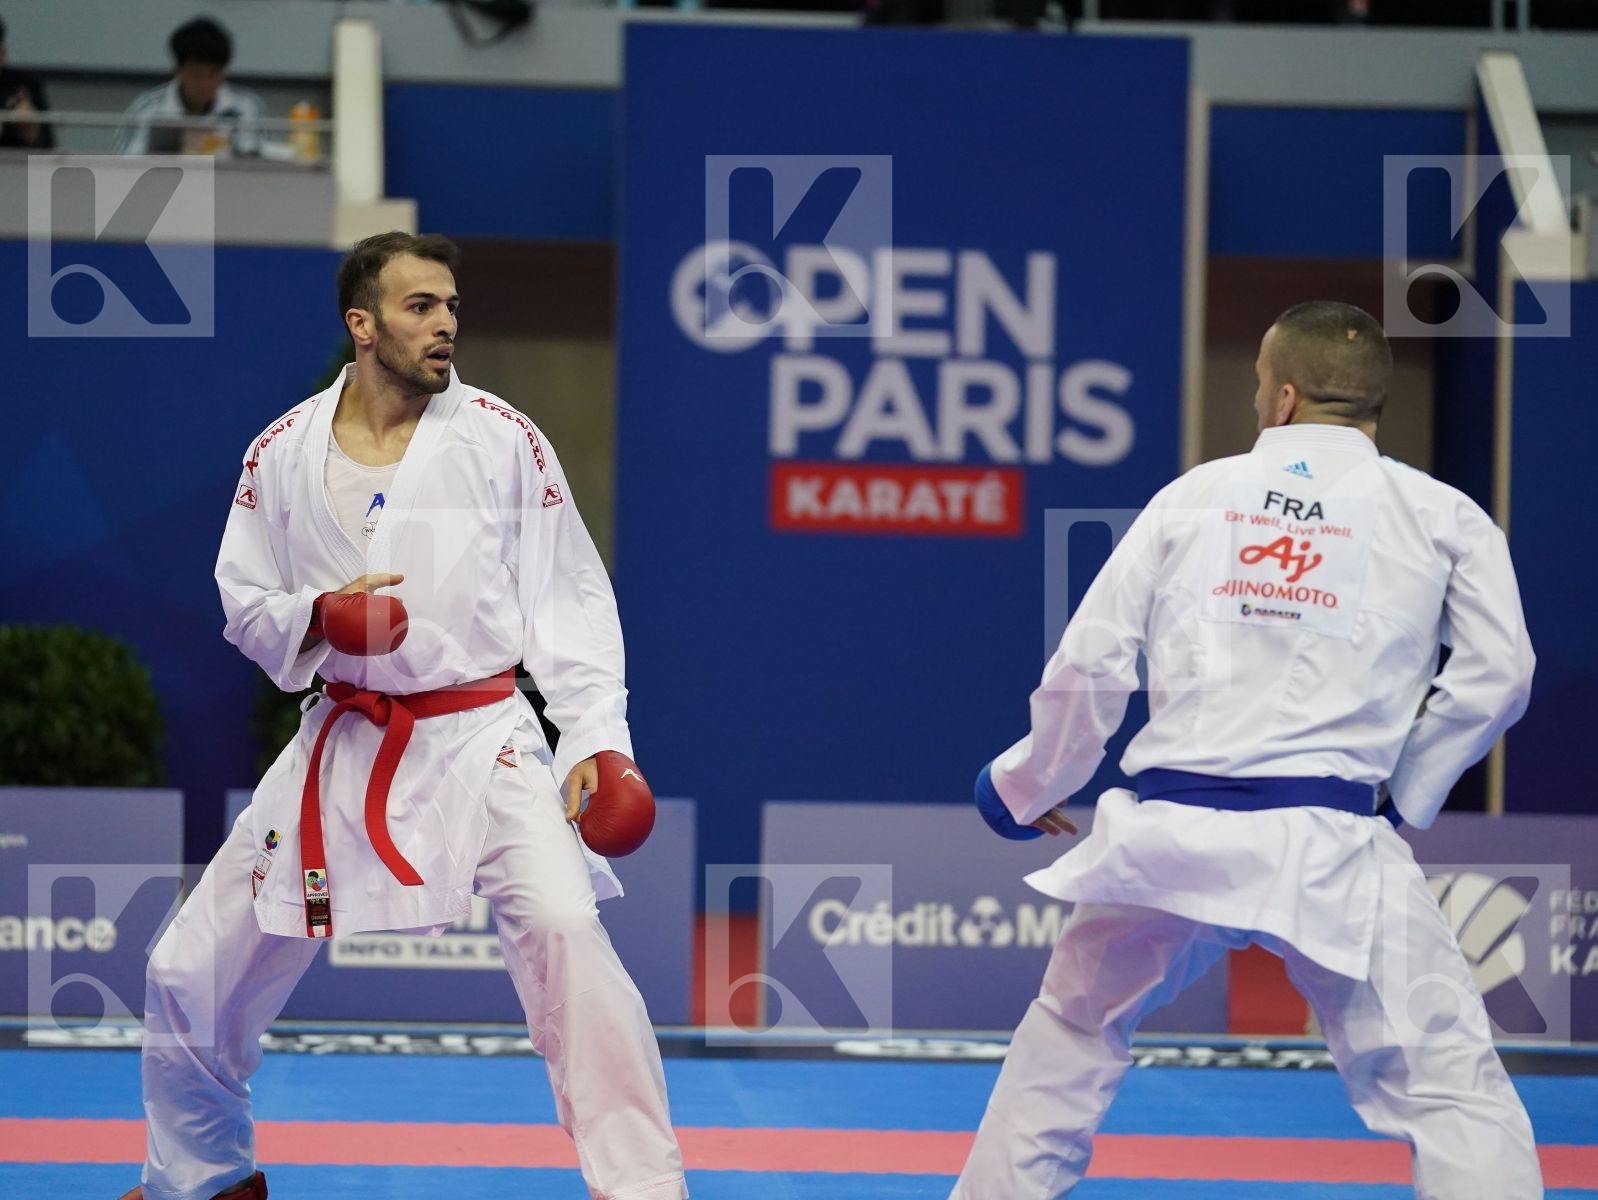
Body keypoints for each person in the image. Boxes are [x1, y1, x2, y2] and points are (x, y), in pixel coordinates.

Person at [120, 232, 688, 1200]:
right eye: (421, 306)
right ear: (362, 323)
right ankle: (202, 1177)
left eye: (451, 306)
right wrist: (318, 618)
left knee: (565, 933)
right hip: (342, 736)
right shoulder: (283, 450)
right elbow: (243, 599)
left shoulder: (502, 438)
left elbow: (568, 598)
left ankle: (643, 1188)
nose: (445, 325)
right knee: (187, 965)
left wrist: (596, 739)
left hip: (482, 733)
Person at [955, 301, 1543, 1199]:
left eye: (1260, 382)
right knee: (1447, 1081)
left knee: (1067, 1040)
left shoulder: (1192, 497)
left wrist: (1024, 784)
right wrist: (1406, 786)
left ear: (1284, 397)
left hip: (1169, 837)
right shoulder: (1445, 515)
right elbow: (1501, 673)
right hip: (1334, 843)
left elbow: (1091, 663)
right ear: (1373, 405)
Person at [114, 17, 262, 157]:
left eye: (213, 74)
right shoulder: (149, 107)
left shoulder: (245, 106)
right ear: (177, 70)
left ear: (224, 73)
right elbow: (126, 163)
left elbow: (255, 163)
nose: (204, 83)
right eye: (196, 74)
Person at [0, 15, 55, 150]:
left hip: (13, 166)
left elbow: (47, 146)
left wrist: (29, 129)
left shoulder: (24, 87)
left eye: (2, 53)